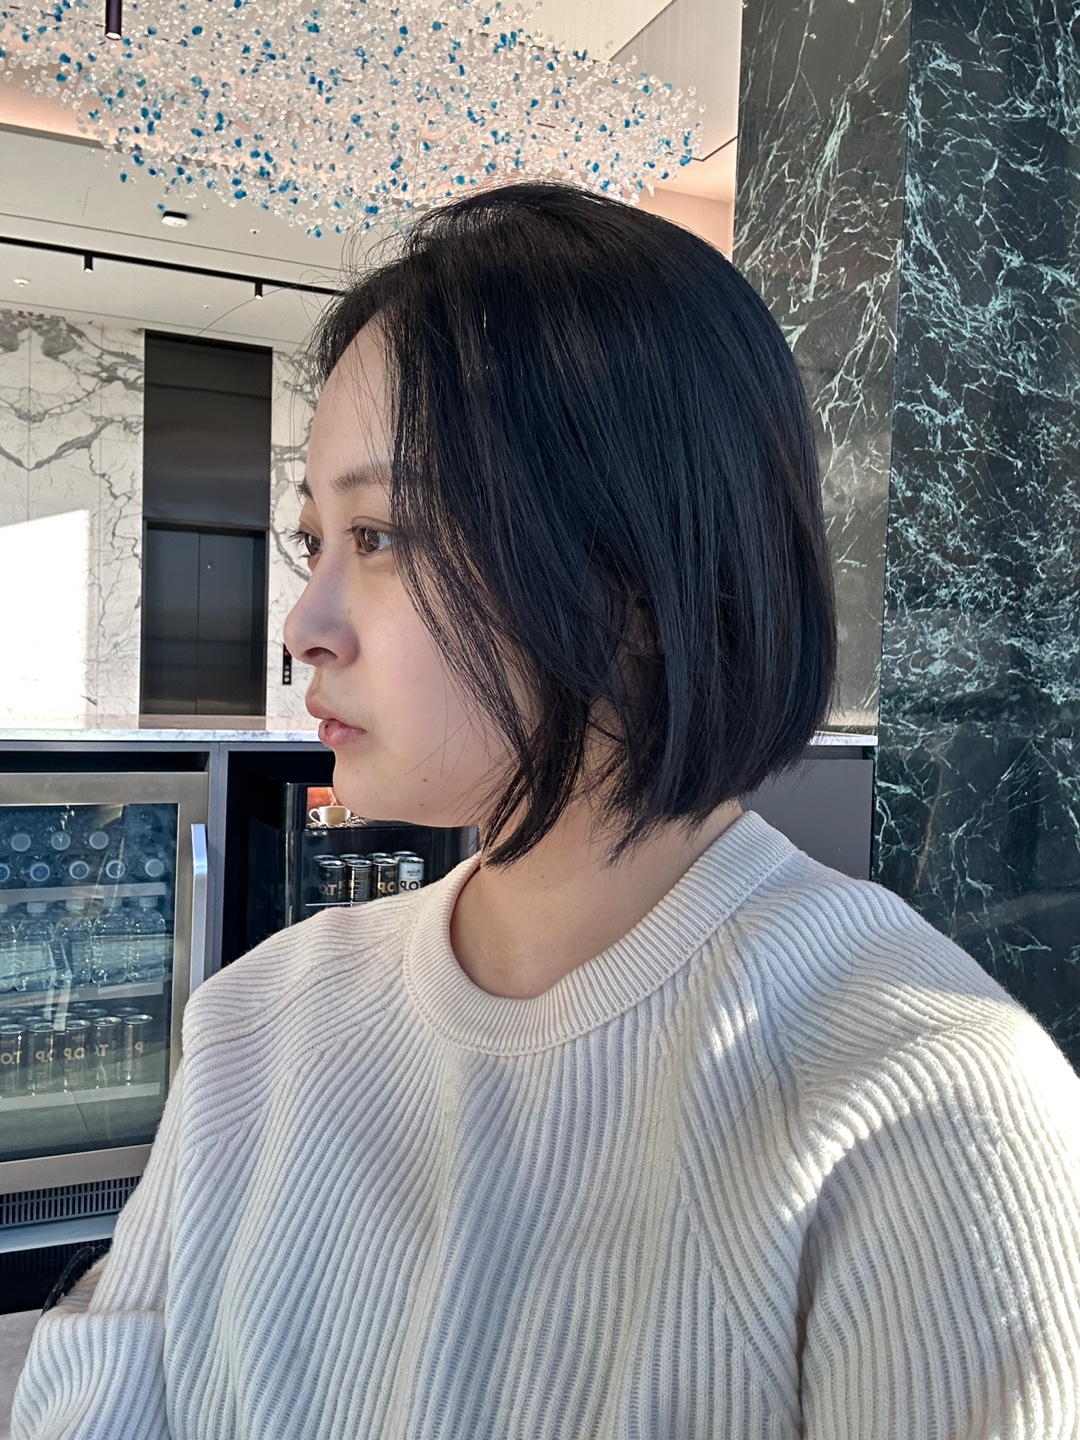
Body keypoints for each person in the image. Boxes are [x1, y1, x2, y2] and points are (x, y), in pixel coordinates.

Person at [12, 180, 1080, 1439]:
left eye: (382, 534)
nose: (304, 625)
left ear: (635, 579)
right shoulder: (262, 1024)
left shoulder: (924, 1106)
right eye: (315, 542)